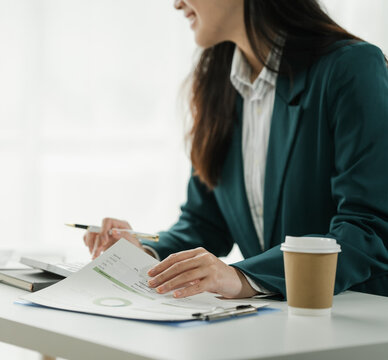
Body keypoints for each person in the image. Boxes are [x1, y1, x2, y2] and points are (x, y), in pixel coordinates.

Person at [83, 0, 388, 299]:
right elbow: (205, 224)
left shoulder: (352, 68)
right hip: (275, 328)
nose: (176, 4)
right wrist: (145, 251)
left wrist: (243, 276)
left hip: (357, 323)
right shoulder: (218, 88)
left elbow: (369, 229)